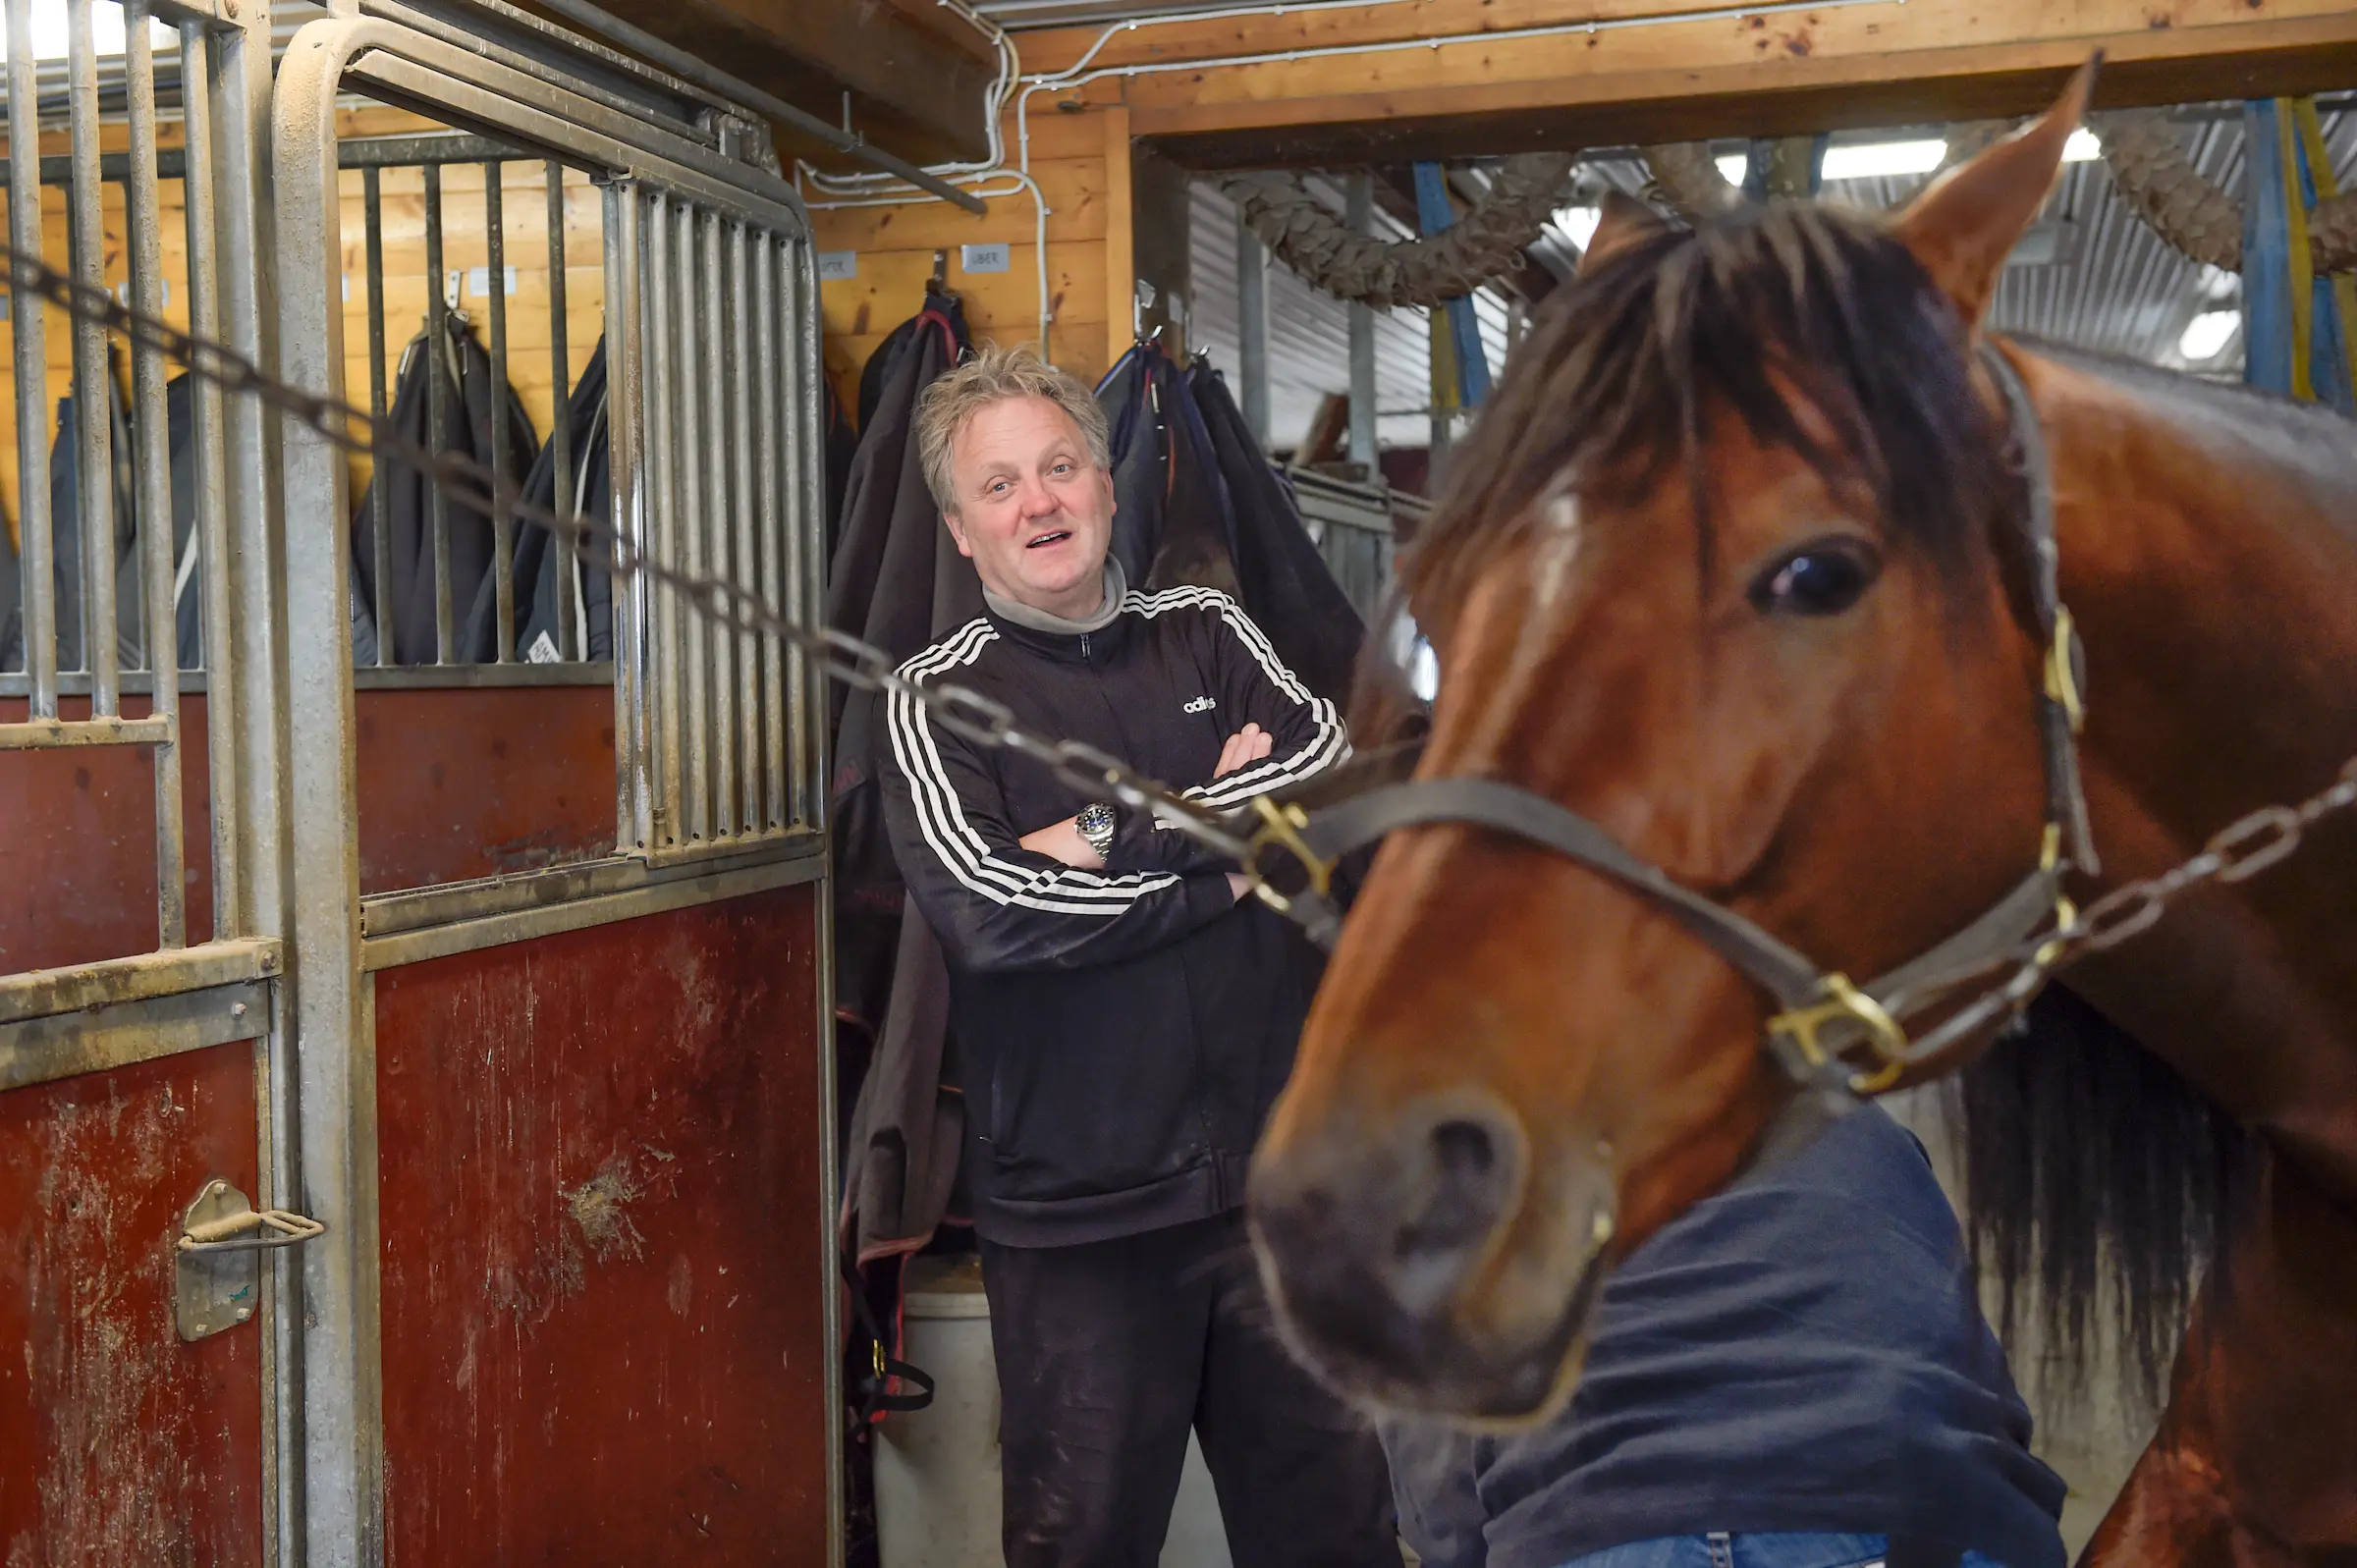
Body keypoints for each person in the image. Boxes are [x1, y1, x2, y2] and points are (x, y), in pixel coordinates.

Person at [878, 342, 1396, 1568]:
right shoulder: (934, 698)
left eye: (1060, 467)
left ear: (1109, 485)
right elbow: (997, 917)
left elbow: (1324, 787)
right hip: (1083, 1226)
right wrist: (1215, 847)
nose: (1038, 502)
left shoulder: (1208, 630)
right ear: (960, 529)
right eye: (998, 485)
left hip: (1281, 1196)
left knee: (1342, 1541)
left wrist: (1099, 838)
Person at [1380, 1097, 2070, 1568]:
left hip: (1603, 1524)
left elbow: (1444, 1508)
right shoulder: (1851, 1118)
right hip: (1921, 1510)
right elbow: (1966, 1367)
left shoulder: (1457, 1171)